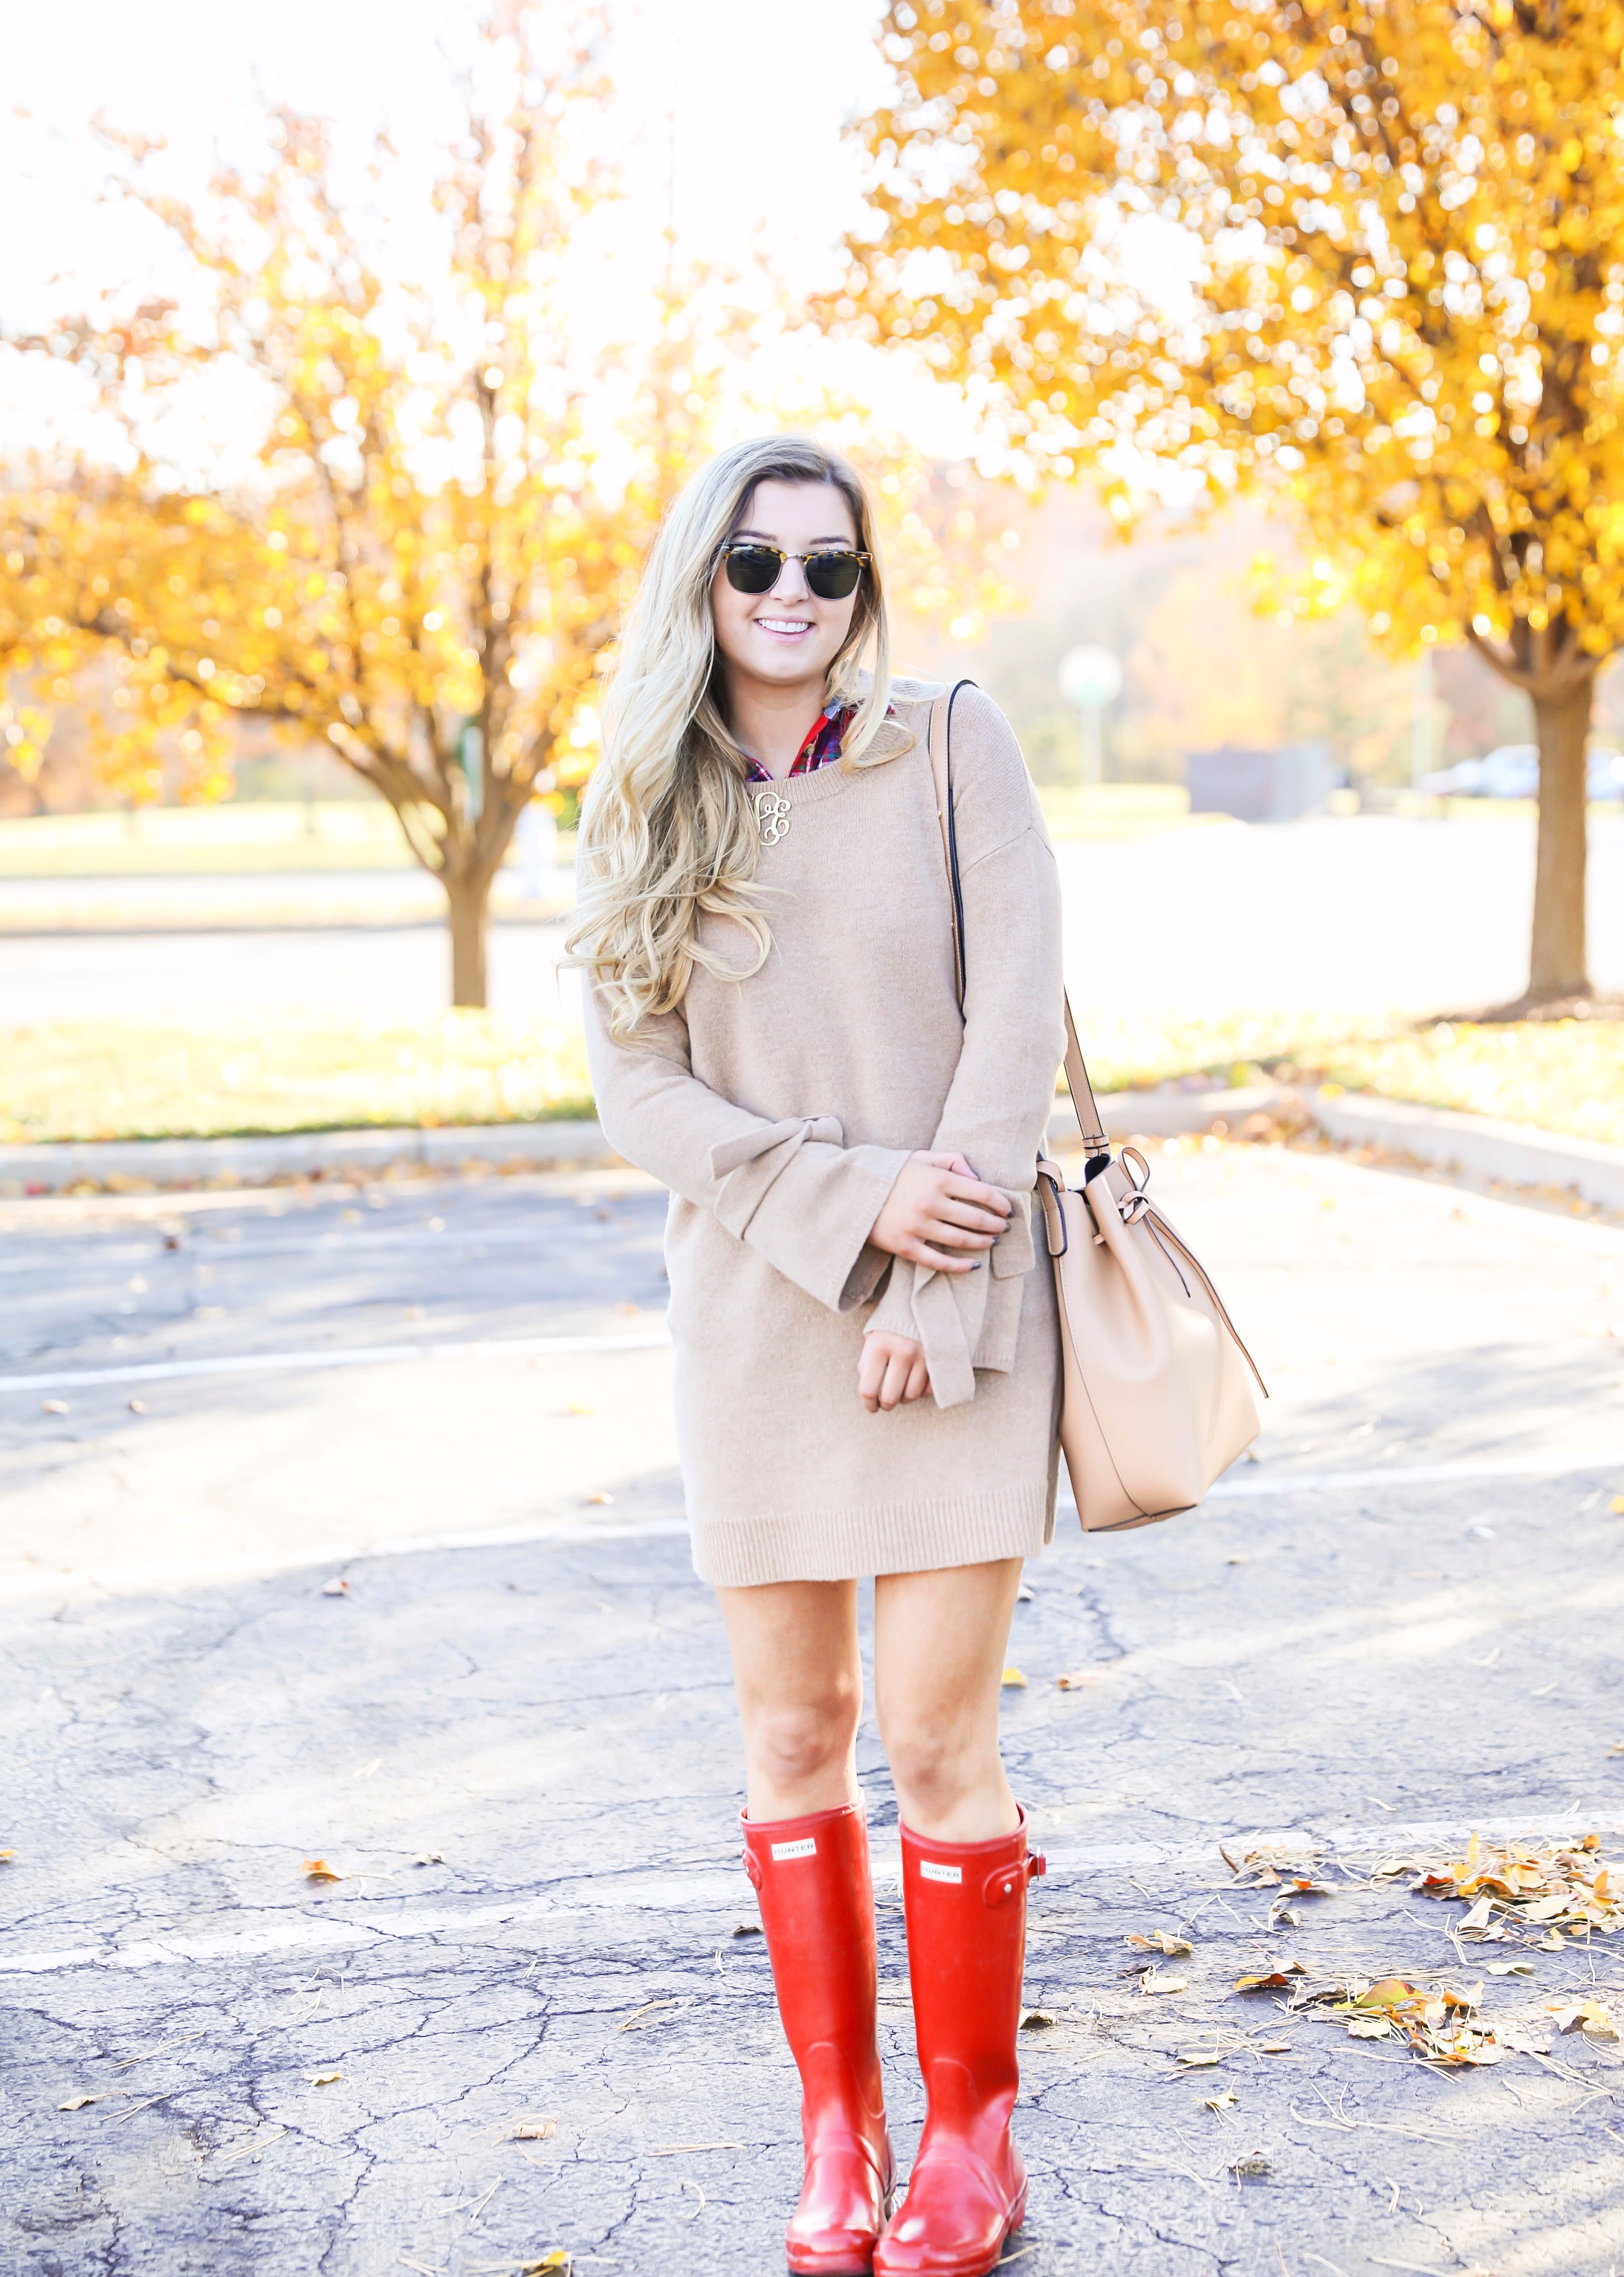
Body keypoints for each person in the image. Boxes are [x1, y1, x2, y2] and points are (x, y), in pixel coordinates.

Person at [568, 434, 1064, 2277]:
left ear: (865, 590)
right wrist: (844, 1203)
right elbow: (640, 1093)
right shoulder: (638, 802)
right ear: (701, 578)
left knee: (938, 1741)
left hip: (959, 1302)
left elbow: (1007, 1035)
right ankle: (836, 2132)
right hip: (757, 1323)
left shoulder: (949, 748)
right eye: (757, 563)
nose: (792, 595)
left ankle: (967, 2138)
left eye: (829, 568)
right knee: (791, 1733)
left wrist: (927, 1289)